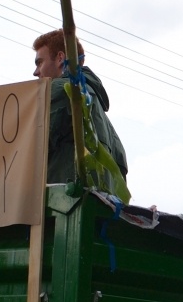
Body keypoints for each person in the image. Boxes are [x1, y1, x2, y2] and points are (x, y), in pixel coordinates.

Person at [33, 29, 128, 187]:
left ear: (60, 58)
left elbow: (30, 147)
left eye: (40, 62)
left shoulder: (59, 89)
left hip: (64, 205)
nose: (36, 72)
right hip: (101, 207)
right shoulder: (107, 126)